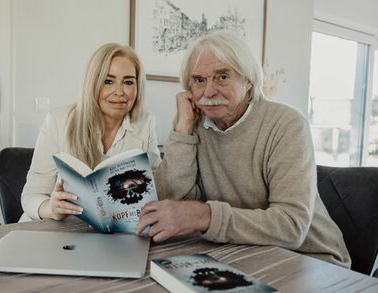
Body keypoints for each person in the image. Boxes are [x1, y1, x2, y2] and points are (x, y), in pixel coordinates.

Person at [136, 31, 351, 267]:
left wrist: (203, 215)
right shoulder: (194, 124)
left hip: (309, 259)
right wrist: (181, 130)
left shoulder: (287, 124)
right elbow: (173, 200)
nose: (208, 92)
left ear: (248, 81)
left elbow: (291, 226)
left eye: (222, 77)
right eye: (199, 80)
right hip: (241, 251)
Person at [21, 43, 161, 221]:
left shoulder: (146, 123)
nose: (119, 92)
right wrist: (52, 209)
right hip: (55, 230)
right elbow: (31, 195)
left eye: (128, 82)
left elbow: (157, 187)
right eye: (108, 81)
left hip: (114, 234)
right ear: (92, 83)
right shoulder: (58, 120)